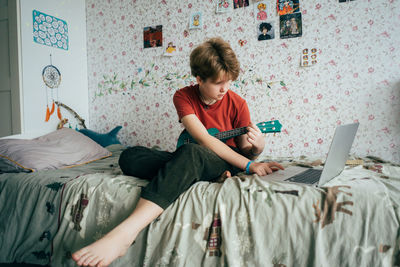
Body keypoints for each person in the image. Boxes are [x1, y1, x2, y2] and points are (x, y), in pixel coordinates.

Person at [72, 37, 283, 267]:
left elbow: (244, 150)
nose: (225, 88)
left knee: (192, 153)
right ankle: (194, 173)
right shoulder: (183, 96)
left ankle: (125, 233)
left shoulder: (238, 103)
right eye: (219, 83)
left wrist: (257, 151)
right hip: (191, 155)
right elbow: (203, 138)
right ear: (199, 79)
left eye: (229, 82)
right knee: (130, 156)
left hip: (224, 160)